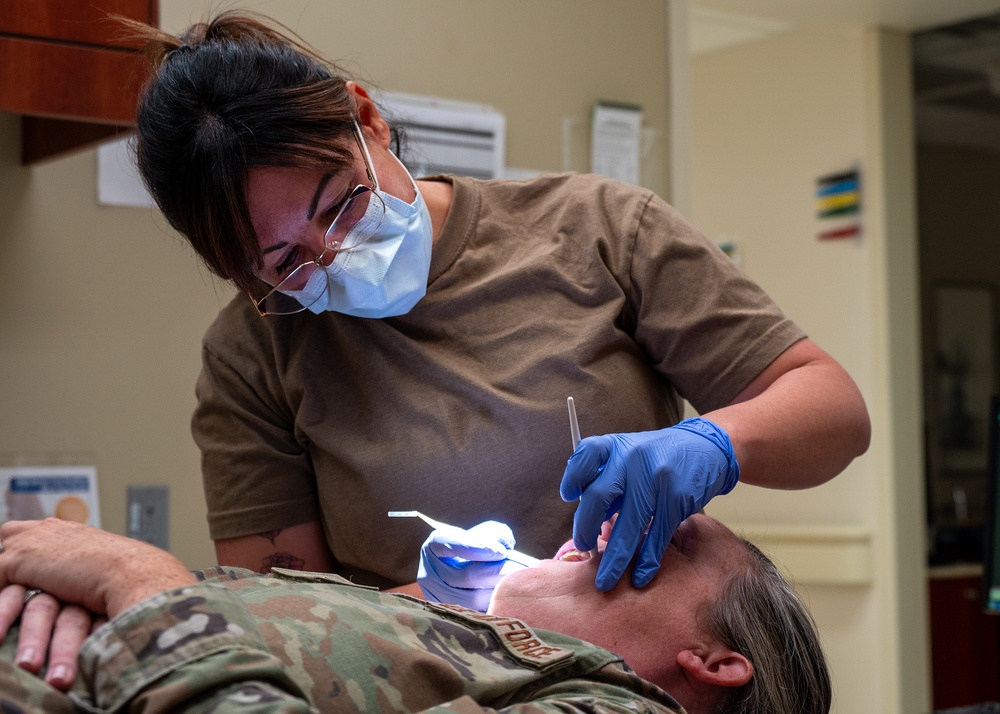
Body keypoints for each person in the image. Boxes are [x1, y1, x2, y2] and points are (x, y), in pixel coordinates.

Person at [117, 8, 869, 596]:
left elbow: (833, 411)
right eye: (284, 263)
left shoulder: (596, 229)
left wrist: (715, 444)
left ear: (366, 117)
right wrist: (445, 601)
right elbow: (288, 621)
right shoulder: (253, 354)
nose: (334, 256)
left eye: (342, 205)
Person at [0, 515, 831, 714]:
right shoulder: (497, 656)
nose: (608, 524)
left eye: (667, 542)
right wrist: (60, 595)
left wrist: (134, 581)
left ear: (715, 662)